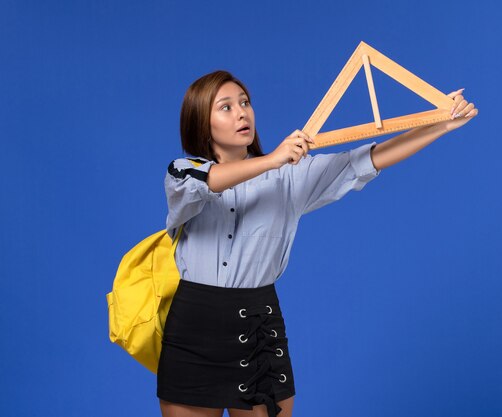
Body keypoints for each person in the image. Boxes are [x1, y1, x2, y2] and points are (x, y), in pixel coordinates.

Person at [157, 70, 477, 417]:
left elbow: (368, 160)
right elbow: (209, 182)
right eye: (226, 107)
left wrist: (441, 123)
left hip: (258, 323)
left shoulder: (289, 178)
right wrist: (274, 158)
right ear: (202, 123)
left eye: (245, 102)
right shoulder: (182, 172)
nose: (242, 113)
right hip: (194, 328)